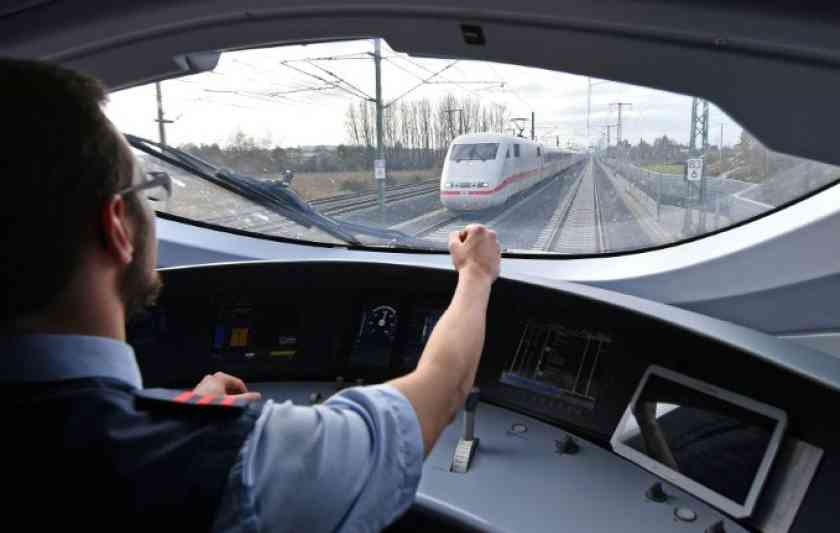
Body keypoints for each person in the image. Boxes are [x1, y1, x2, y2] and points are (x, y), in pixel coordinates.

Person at [0, 57, 501, 532]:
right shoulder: (235, 461)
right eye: (147, 192)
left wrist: (181, 412)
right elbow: (440, 393)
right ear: (117, 227)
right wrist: (476, 275)